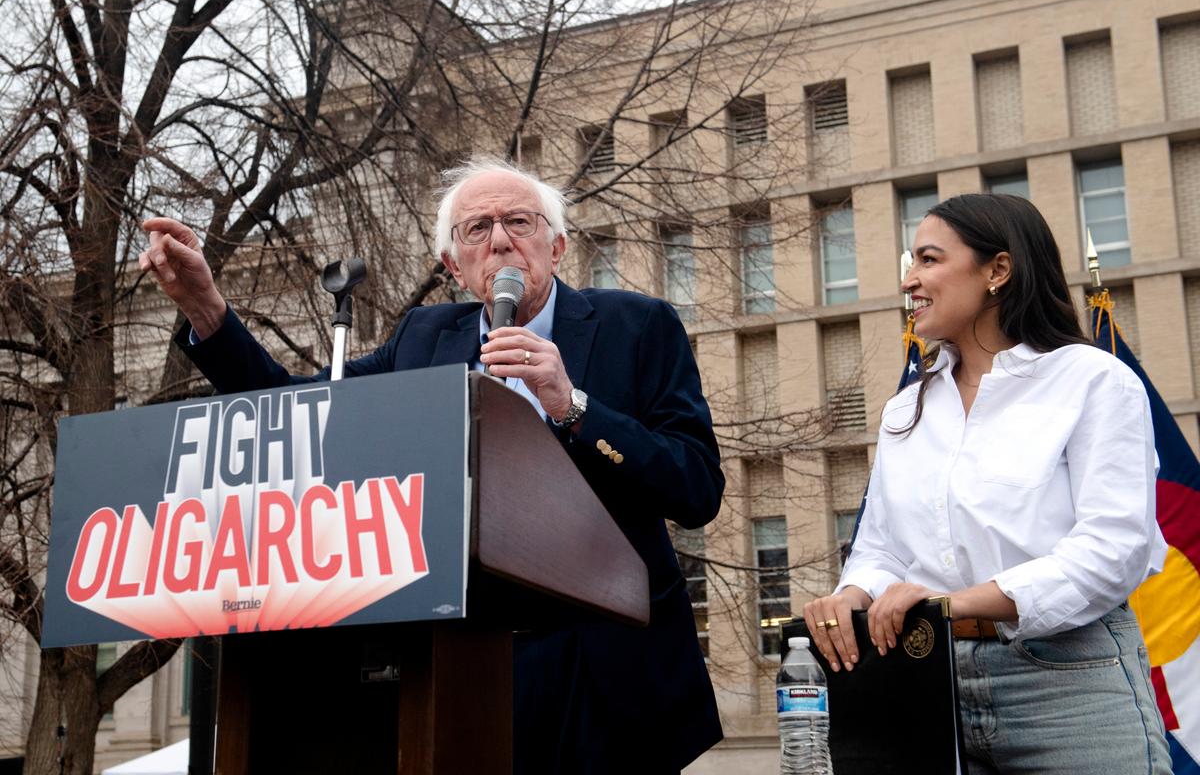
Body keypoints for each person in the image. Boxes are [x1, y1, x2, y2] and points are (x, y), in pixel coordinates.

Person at [139, 156, 724, 773]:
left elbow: (695, 486)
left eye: (519, 222)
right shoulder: (422, 339)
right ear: (453, 265)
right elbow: (301, 411)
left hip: (605, 670)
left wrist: (572, 404)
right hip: (454, 666)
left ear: (557, 246)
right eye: (477, 229)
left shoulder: (638, 327)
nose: (501, 241)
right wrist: (207, 308)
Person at [802, 193, 1172, 774]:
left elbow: (1113, 549)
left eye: (927, 260)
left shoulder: (1094, 382)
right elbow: (882, 547)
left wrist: (952, 603)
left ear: (998, 270)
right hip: (922, 682)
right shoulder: (905, 409)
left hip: (1066, 684)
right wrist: (852, 597)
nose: (908, 281)